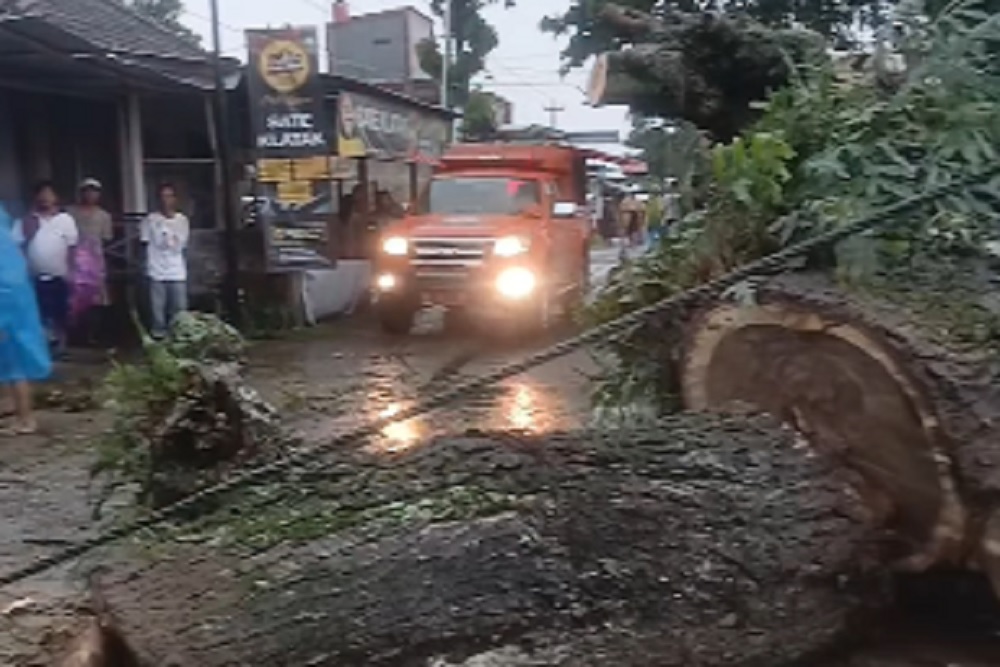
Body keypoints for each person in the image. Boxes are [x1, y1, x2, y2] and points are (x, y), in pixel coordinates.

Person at [0, 202, 51, 434]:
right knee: (11, 361)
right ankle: (16, 412)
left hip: (7, 305)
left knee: (13, 363)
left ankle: (25, 419)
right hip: (15, 301)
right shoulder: (7, 242)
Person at [12, 181, 79, 356]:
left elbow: (72, 247)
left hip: (60, 275)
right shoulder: (25, 221)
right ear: (35, 198)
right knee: (38, 313)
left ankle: (62, 347)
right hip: (33, 277)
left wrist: (72, 271)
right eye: (41, 195)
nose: (45, 199)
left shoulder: (65, 220)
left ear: (56, 198)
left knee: (60, 313)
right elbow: (16, 247)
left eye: (49, 195)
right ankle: (41, 348)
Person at [140, 183, 190, 339]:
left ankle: (179, 336)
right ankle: (159, 335)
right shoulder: (150, 220)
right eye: (162, 197)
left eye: (169, 196)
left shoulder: (182, 220)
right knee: (157, 308)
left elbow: (182, 244)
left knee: (179, 307)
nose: (165, 200)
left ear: (175, 199)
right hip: (157, 269)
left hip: (176, 269)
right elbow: (144, 242)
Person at [68, 178, 112, 342]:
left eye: (94, 191)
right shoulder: (70, 213)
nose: (91, 194)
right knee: (75, 299)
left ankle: (93, 335)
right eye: (87, 191)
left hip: (95, 261)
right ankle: (76, 335)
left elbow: (107, 239)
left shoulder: (104, 216)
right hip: (75, 261)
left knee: (97, 299)